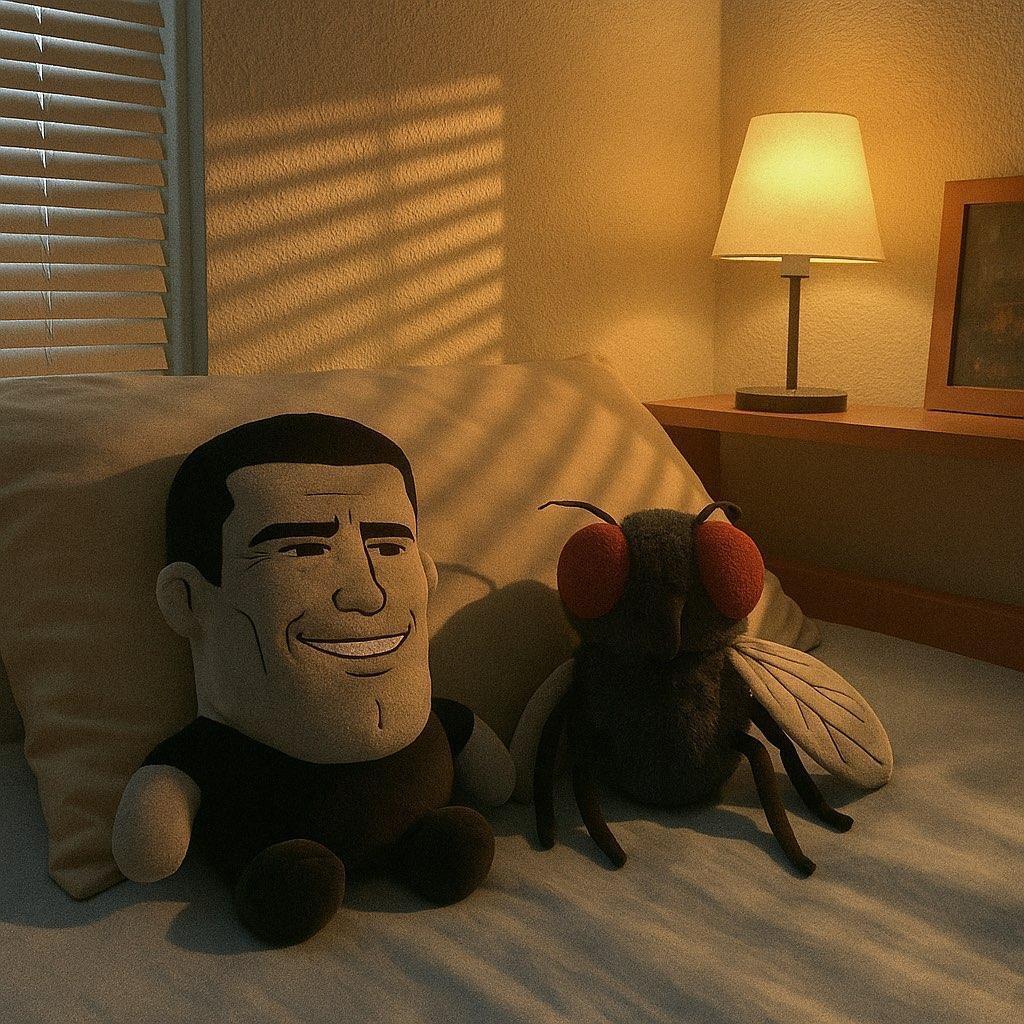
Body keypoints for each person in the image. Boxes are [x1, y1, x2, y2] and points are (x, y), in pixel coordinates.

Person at [113, 414, 514, 945]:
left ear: (425, 571)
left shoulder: (435, 721)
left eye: (389, 547)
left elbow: (501, 783)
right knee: (289, 887)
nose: (368, 593)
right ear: (187, 599)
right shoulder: (216, 756)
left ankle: (425, 846)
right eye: (303, 550)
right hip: (275, 847)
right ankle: (288, 876)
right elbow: (149, 851)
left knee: (454, 848)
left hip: (424, 822)